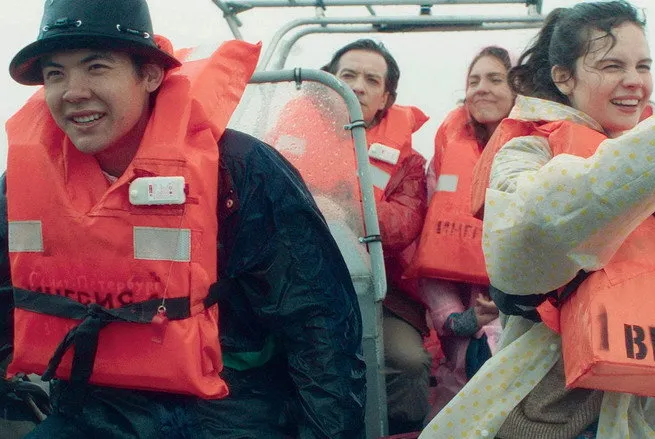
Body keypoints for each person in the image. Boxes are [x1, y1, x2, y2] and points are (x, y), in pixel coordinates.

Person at [0, 1, 366, 438]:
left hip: (230, 408)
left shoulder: (240, 169)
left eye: (96, 67)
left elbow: (318, 324)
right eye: (55, 73)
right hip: (94, 408)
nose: (72, 90)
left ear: (151, 75)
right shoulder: (22, 182)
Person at [420, 1, 655, 438]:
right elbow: (524, 242)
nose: (633, 81)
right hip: (565, 410)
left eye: (642, 66)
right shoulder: (530, 149)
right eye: (612, 65)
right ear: (563, 77)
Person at [267, 39, 432, 434]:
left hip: (376, 291)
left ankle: (397, 429)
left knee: (409, 361)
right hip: (292, 282)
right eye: (348, 75)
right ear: (328, 83)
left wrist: (347, 209)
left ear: (385, 97)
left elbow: (405, 225)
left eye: (371, 80)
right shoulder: (281, 136)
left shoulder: (408, 162)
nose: (357, 86)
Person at [406, 46, 514, 414]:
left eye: (495, 79)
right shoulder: (446, 160)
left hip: (533, 323)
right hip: (473, 337)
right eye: (474, 80)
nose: (481, 88)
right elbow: (433, 246)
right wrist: (460, 320)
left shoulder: (546, 149)